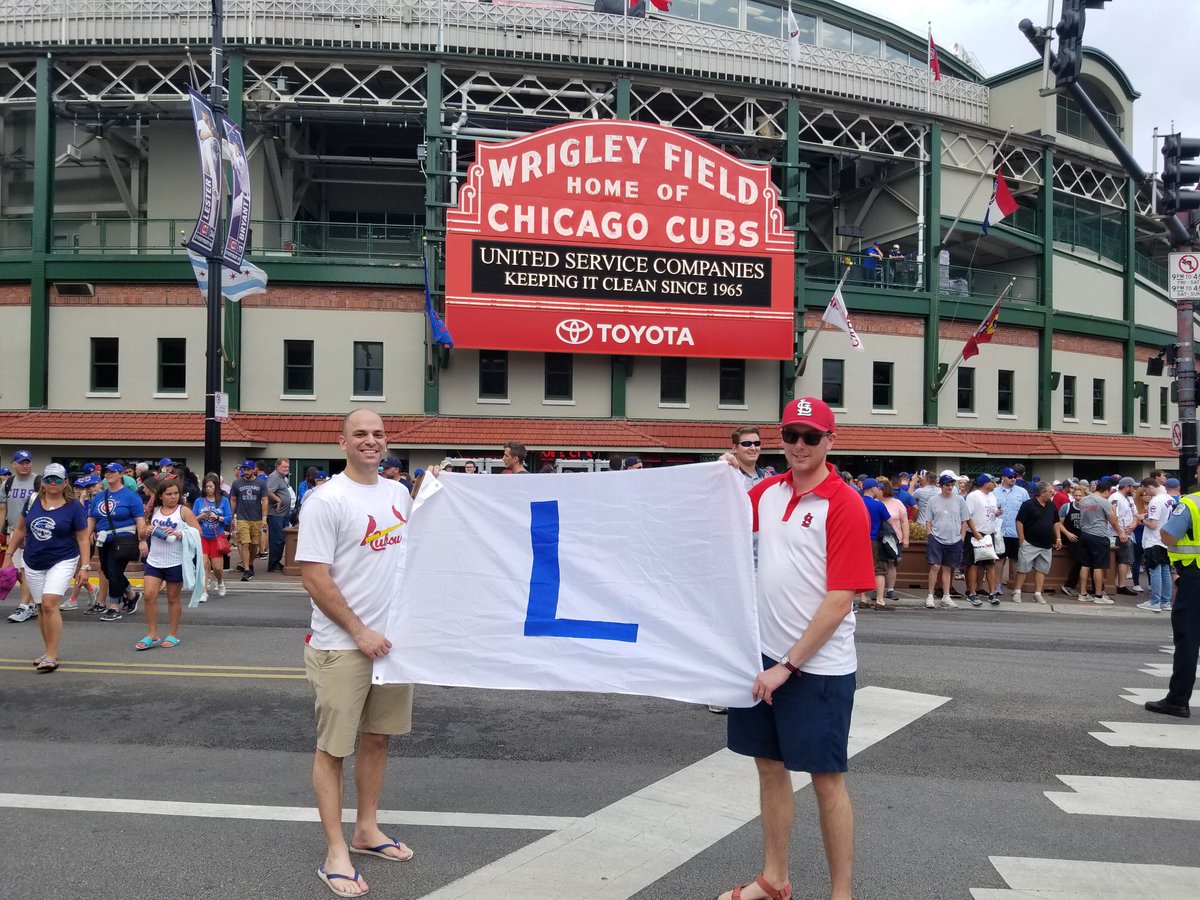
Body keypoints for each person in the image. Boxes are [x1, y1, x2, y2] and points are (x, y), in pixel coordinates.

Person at [721, 397, 873, 900]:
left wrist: (789, 664)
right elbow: (712, 515)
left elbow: (840, 598)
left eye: (811, 436)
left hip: (816, 666)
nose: (800, 446)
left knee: (827, 780)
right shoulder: (767, 491)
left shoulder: (844, 502)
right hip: (763, 655)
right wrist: (720, 475)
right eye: (791, 436)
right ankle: (775, 878)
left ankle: (841, 894)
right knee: (768, 766)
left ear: (831, 440)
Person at [297, 409, 421, 898]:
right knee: (333, 749)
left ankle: (366, 830)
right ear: (342, 442)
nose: (371, 441)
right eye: (360, 434)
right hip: (341, 645)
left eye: (378, 434)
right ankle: (335, 855)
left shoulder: (399, 494)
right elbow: (314, 576)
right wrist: (359, 630)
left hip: (393, 646)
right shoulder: (326, 500)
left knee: (379, 738)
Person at [0, 463, 89, 673]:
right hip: (33, 559)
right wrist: (8, 557)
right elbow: (20, 530)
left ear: (65, 482)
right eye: (49, 479)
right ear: (43, 481)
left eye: (58, 479)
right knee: (40, 606)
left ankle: (51, 654)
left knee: (50, 604)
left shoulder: (74, 506)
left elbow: (83, 537)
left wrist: (84, 566)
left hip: (63, 559)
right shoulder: (32, 501)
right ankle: (48, 650)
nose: (53, 483)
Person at [709, 426, 771, 715]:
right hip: (733, 562)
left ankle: (757, 684)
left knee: (760, 628)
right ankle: (721, 691)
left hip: (764, 561)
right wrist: (720, 463)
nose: (753, 448)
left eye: (757, 443)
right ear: (734, 447)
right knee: (729, 626)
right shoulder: (725, 473)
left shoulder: (769, 479)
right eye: (746, 443)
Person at [1148, 469, 1200, 718]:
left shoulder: (1191, 503)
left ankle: (1178, 700)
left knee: (1188, 638)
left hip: (1195, 576)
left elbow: (1168, 534)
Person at [135, 477, 200, 650]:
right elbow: (141, 533)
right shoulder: (154, 510)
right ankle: (152, 634)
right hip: (154, 560)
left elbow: (197, 532)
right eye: (169, 494)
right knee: (148, 594)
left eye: (176, 493)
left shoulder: (183, 511)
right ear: (161, 496)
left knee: (173, 598)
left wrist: (180, 533)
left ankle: (172, 635)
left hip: (175, 560)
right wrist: (146, 531)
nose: (173, 497)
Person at [2, 449, 41, 623]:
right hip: (14, 531)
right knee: (20, 569)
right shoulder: (8, 483)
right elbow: (3, 509)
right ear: (13, 464)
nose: (25, 465)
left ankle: (25, 605)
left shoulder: (39, 481)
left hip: (34, 533)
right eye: (21, 462)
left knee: (26, 569)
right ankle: (32, 603)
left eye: (27, 462)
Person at [919, 474, 968, 609]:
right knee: (935, 566)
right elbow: (928, 520)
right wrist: (930, 534)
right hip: (936, 537)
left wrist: (962, 537)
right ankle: (930, 594)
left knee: (948, 567)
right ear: (941, 486)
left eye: (952, 484)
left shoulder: (960, 500)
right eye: (947, 484)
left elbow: (965, 520)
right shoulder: (933, 501)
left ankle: (946, 596)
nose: (950, 487)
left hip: (954, 538)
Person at [1012, 482, 1062, 604]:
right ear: (1042, 493)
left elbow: (1056, 522)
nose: (1052, 493)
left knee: (1042, 569)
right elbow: (1019, 522)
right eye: (1050, 491)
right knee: (1023, 568)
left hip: (1046, 544)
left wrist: (1058, 538)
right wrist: (1022, 539)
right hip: (1030, 542)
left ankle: (1037, 594)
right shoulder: (1028, 505)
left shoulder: (1051, 505)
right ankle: (1017, 592)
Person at [1076, 478, 1123, 604]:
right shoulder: (1104, 502)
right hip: (1098, 535)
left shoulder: (1084, 500)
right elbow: (1112, 520)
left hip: (1084, 534)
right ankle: (1098, 596)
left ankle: (1083, 593)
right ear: (1107, 492)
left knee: (1085, 564)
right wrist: (1121, 532)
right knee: (1098, 566)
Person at [61, 475, 102, 612]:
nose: (81, 490)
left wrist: (82, 499)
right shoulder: (69, 501)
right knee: (72, 570)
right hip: (70, 539)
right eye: (78, 487)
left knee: (78, 569)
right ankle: (91, 588)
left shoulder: (92, 502)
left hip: (85, 539)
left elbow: (86, 519)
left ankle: (73, 599)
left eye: (85, 488)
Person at [1138, 478, 1180, 613]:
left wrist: (1141, 519)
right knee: (1165, 571)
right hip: (1165, 539)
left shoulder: (1155, 501)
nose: (1146, 493)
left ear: (1150, 487)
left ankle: (1155, 601)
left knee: (1155, 570)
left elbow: (1153, 524)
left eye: (1145, 490)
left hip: (1154, 540)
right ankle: (1165, 601)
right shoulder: (1170, 499)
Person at [193, 472, 232, 600]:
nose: (208, 489)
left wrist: (218, 517)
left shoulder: (224, 501)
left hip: (217, 536)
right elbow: (192, 519)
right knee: (203, 564)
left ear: (216, 486)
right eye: (206, 487)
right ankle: (203, 591)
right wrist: (201, 516)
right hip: (203, 536)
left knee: (217, 567)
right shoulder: (199, 501)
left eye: (210, 486)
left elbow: (228, 518)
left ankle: (220, 582)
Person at [964, 474, 1000, 606]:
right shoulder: (973, 496)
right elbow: (968, 516)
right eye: (992, 482)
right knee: (974, 564)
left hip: (989, 534)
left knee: (990, 564)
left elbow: (990, 512)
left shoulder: (992, 496)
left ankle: (992, 593)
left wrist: (997, 513)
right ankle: (972, 592)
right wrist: (975, 532)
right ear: (985, 483)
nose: (995, 484)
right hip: (975, 534)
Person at [231, 460, 267, 581]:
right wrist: (231, 516)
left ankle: (250, 563)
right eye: (244, 469)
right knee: (245, 543)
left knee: (254, 544)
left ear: (253, 470)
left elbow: (265, 500)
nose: (245, 472)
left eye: (248, 469)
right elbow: (233, 500)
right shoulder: (237, 483)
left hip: (256, 517)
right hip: (242, 518)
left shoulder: (261, 483)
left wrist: (264, 517)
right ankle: (246, 569)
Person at [994, 468, 1029, 594]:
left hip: (1016, 531)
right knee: (999, 559)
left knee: (1015, 559)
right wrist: (995, 512)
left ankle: (1016, 586)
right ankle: (997, 585)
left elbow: (1027, 511)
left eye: (1014, 476)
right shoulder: (994, 492)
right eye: (1010, 477)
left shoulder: (1022, 492)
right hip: (1000, 531)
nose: (1013, 479)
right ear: (1003, 477)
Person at [879, 480, 909, 602]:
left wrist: (906, 538)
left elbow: (904, 521)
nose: (877, 491)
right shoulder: (875, 503)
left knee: (891, 563)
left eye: (879, 488)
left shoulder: (897, 503)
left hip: (894, 538)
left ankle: (890, 589)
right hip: (878, 537)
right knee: (879, 564)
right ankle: (878, 588)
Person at [1058, 483, 1086, 597]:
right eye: (1076, 495)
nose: (1078, 498)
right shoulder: (1067, 507)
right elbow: (1058, 524)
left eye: (1081, 496)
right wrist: (1067, 534)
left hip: (1083, 537)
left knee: (1087, 559)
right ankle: (1069, 585)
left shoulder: (1088, 507)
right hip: (1070, 538)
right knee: (1080, 559)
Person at [266, 457, 294, 573]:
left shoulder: (282, 478)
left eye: (288, 467)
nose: (286, 469)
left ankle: (276, 562)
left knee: (282, 539)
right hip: (276, 514)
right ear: (277, 466)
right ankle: (273, 564)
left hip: (283, 514)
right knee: (276, 539)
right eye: (284, 466)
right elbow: (268, 491)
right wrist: (278, 500)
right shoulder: (274, 476)